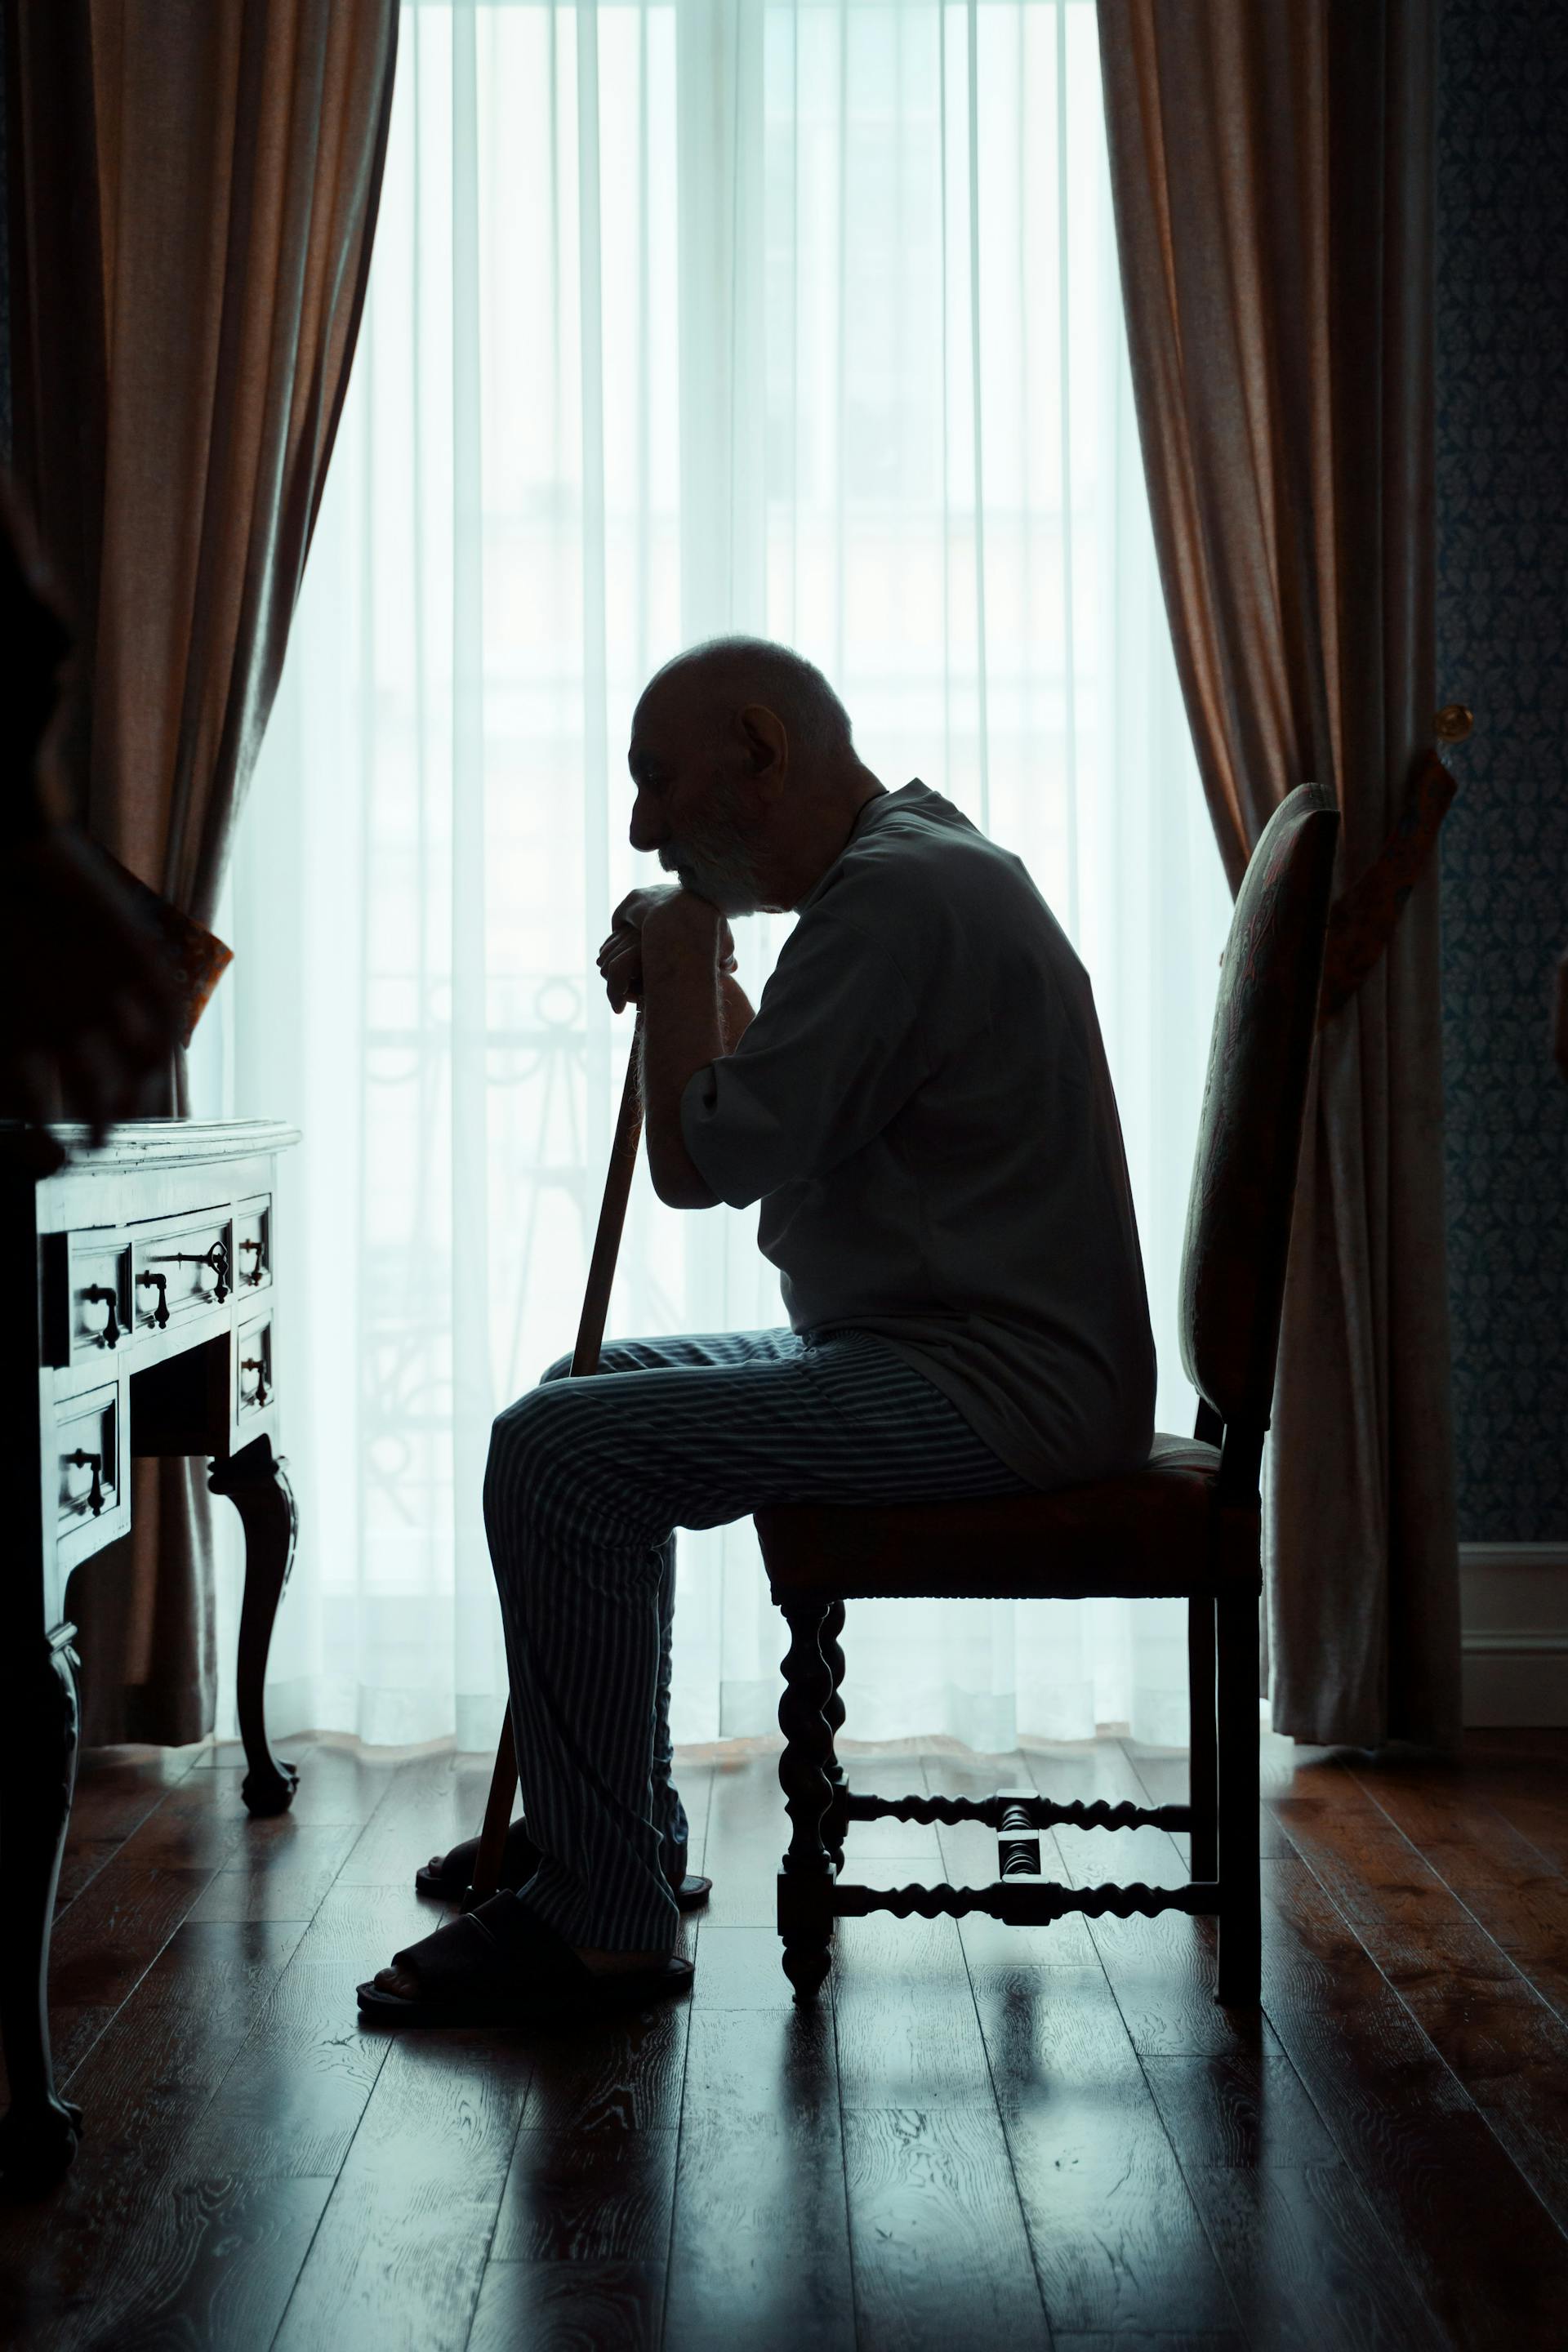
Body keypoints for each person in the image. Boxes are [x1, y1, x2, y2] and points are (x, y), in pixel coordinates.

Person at [360, 636, 1156, 2025]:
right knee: (578, 1396)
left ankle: (604, 1917)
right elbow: (782, 1116)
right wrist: (696, 973)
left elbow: (701, 1159)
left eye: (660, 785)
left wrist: (678, 946)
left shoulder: (896, 901)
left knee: (558, 1452)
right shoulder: (905, 874)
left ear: (763, 750)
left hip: (993, 1385)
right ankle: (609, 1845)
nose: (643, 827)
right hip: (935, 1346)